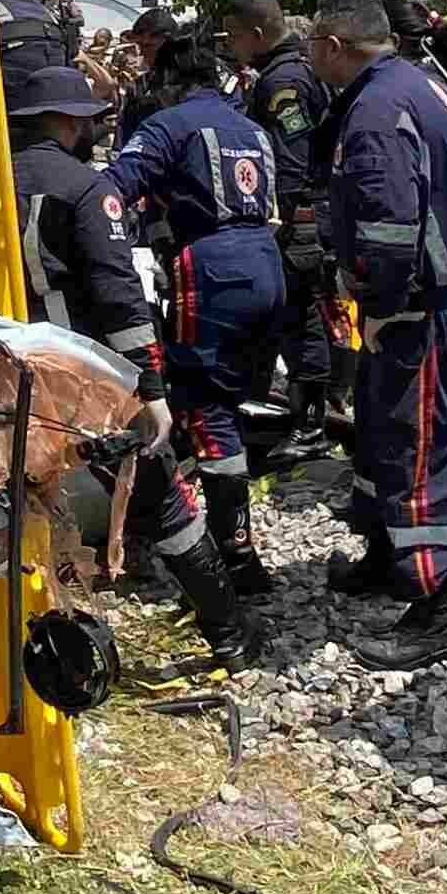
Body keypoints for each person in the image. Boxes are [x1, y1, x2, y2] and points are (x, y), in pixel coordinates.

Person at [4, 64, 262, 666]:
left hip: (5, 370)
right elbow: (119, 294)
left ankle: (20, 638)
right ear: (67, 123)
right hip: (80, 377)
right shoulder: (87, 191)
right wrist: (148, 382)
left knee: (16, 504)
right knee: (160, 494)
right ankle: (229, 632)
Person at [309, 0, 447, 671]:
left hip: (426, 307)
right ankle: (390, 557)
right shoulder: (416, 84)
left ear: (333, 45)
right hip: (443, 296)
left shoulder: (377, 111)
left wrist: (383, 303)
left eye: (311, 45)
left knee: (425, 446)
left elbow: (390, 226)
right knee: (387, 430)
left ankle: (437, 609)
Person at [99, 37, 289, 647]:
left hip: (208, 270)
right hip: (267, 263)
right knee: (229, 404)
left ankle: (232, 556)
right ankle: (236, 545)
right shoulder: (249, 127)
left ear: (166, 80)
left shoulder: (169, 125)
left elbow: (110, 190)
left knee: (205, 409)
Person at [222, 0, 338, 450]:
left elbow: (293, 157)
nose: (230, 46)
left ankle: (310, 425)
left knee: (301, 316)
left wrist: (288, 220)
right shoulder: (294, 69)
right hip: (308, 213)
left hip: (299, 216)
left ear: (255, 34)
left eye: (233, 37)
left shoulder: (284, 80)